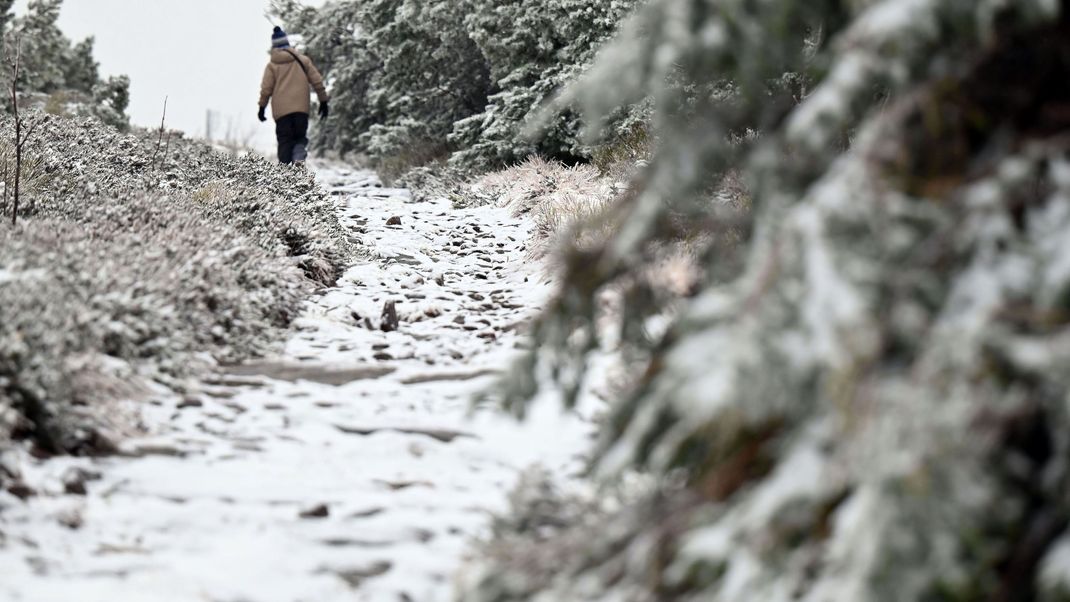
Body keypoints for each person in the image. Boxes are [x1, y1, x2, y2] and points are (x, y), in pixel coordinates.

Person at [258, 26, 329, 165]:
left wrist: (261, 107)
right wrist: (323, 101)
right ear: (287, 43)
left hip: (281, 113)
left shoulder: (272, 66)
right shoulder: (303, 60)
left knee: (284, 141)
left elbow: (266, 89)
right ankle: (298, 158)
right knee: (299, 138)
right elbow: (317, 81)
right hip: (301, 110)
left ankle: (284, 176)